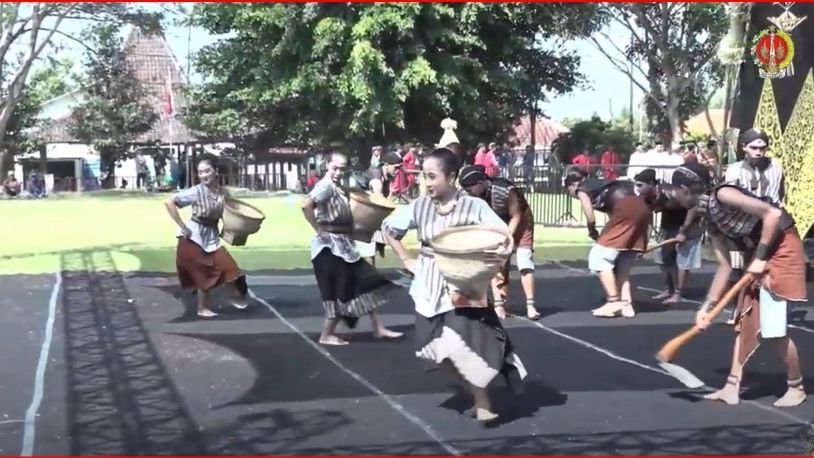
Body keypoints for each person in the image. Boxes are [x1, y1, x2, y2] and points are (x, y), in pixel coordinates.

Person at [381, 147, 527, 424]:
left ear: (451, 177)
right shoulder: (419, 205)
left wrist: (489, 260)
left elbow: (503, 238)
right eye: (424, 176)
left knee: (464, 346)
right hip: (426, 287)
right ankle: (477, 396)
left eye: (432, 176)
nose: (426, 182)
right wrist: (405, 258)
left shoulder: (474, 206)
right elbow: (388, 228)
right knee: (434, 352)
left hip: (463, 286)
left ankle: (484, 402)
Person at [671, 162, 807, 408]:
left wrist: (761, 258)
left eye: (674, 190)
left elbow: (773, 214)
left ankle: (796, 387)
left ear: (684, 189)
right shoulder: (709, 218)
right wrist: (706, 308)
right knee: (744, 320)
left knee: (773, 327)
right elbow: (724, 267)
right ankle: (732, 386)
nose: (673, 196)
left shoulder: (723, 194)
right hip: (758, 252)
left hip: (781, 247)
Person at [302, 152, 403, 346]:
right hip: (329, 250)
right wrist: (318, 228)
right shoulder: (325, 186)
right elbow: (306, 205)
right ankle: (326, 334)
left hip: (345, 246)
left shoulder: (338, 187)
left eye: (342, 168)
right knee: (341, 292)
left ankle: (378, 327)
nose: (338, 172)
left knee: (367, 283)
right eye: (335, 168)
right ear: (327, 165)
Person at [164, 156, 249, 318]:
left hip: (211, 235)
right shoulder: (196, 191)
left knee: (232, 268)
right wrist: (182, 227)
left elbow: (231, 211)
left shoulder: (222, 192)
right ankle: (202, 308)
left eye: (207, 171)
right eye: (200, 172)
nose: (203, 175)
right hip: (193, 237)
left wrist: (238, 227)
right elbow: (169, 202)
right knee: (203, 273)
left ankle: (233, 295)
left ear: (215, 172)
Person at [458, 164, 541, 320]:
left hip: (521, 221)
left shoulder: (504, 190)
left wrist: (507, 238)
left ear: (480, 182)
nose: (468, 194)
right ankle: (499, 304)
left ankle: (530, 305)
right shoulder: (471, 196)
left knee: (524, 260)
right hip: (496, 223)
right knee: (497, 262)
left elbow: (515, 216)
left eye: (470, 190)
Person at [563, 166, 649, 318]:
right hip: (641, 209)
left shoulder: (582, 188)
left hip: (626, 210)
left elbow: (589, 215)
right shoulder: (603, 184)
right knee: (622, 262)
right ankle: (626, 304)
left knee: (599, 256)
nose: (572, 194)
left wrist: (592, 230)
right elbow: (613, 214)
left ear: (572, 184)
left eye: (568, 190)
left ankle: (613, 301)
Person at [633, 168, 703, 304]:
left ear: (651, 183)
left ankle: (678, 293)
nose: (637, 189)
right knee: (663, 257)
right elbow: (648, 222)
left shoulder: (671, 192)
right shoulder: (646, 198)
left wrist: (683, 231)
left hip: (688, 224)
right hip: (668, 226)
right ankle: (669, 289)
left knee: (683, 260)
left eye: (640, 185)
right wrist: (643, 245)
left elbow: (692, 207)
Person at [354, 152, 403, 265]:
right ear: (386, 165)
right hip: (361, 215)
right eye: (396, 167)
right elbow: (378, 196)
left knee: (378, 244)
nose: (398, 171)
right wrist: (395, 211)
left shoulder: (386, 177)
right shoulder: (376, 174)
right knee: (368, 249)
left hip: (368, 213)